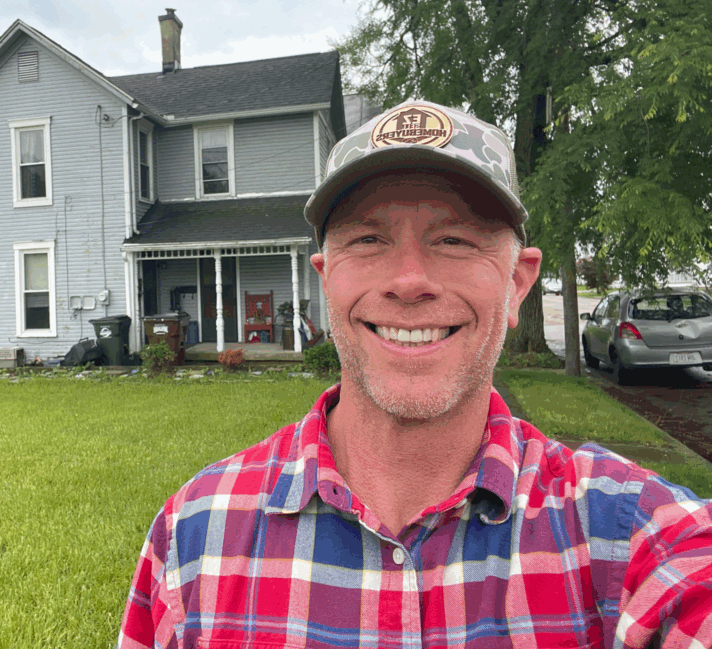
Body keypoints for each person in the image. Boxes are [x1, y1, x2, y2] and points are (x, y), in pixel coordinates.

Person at [117, 101, 712, 648]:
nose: (408, 279)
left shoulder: (627, 535)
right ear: (326, 279)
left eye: (455, 239)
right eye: (368, 238)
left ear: (516, 283)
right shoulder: (193, 535)